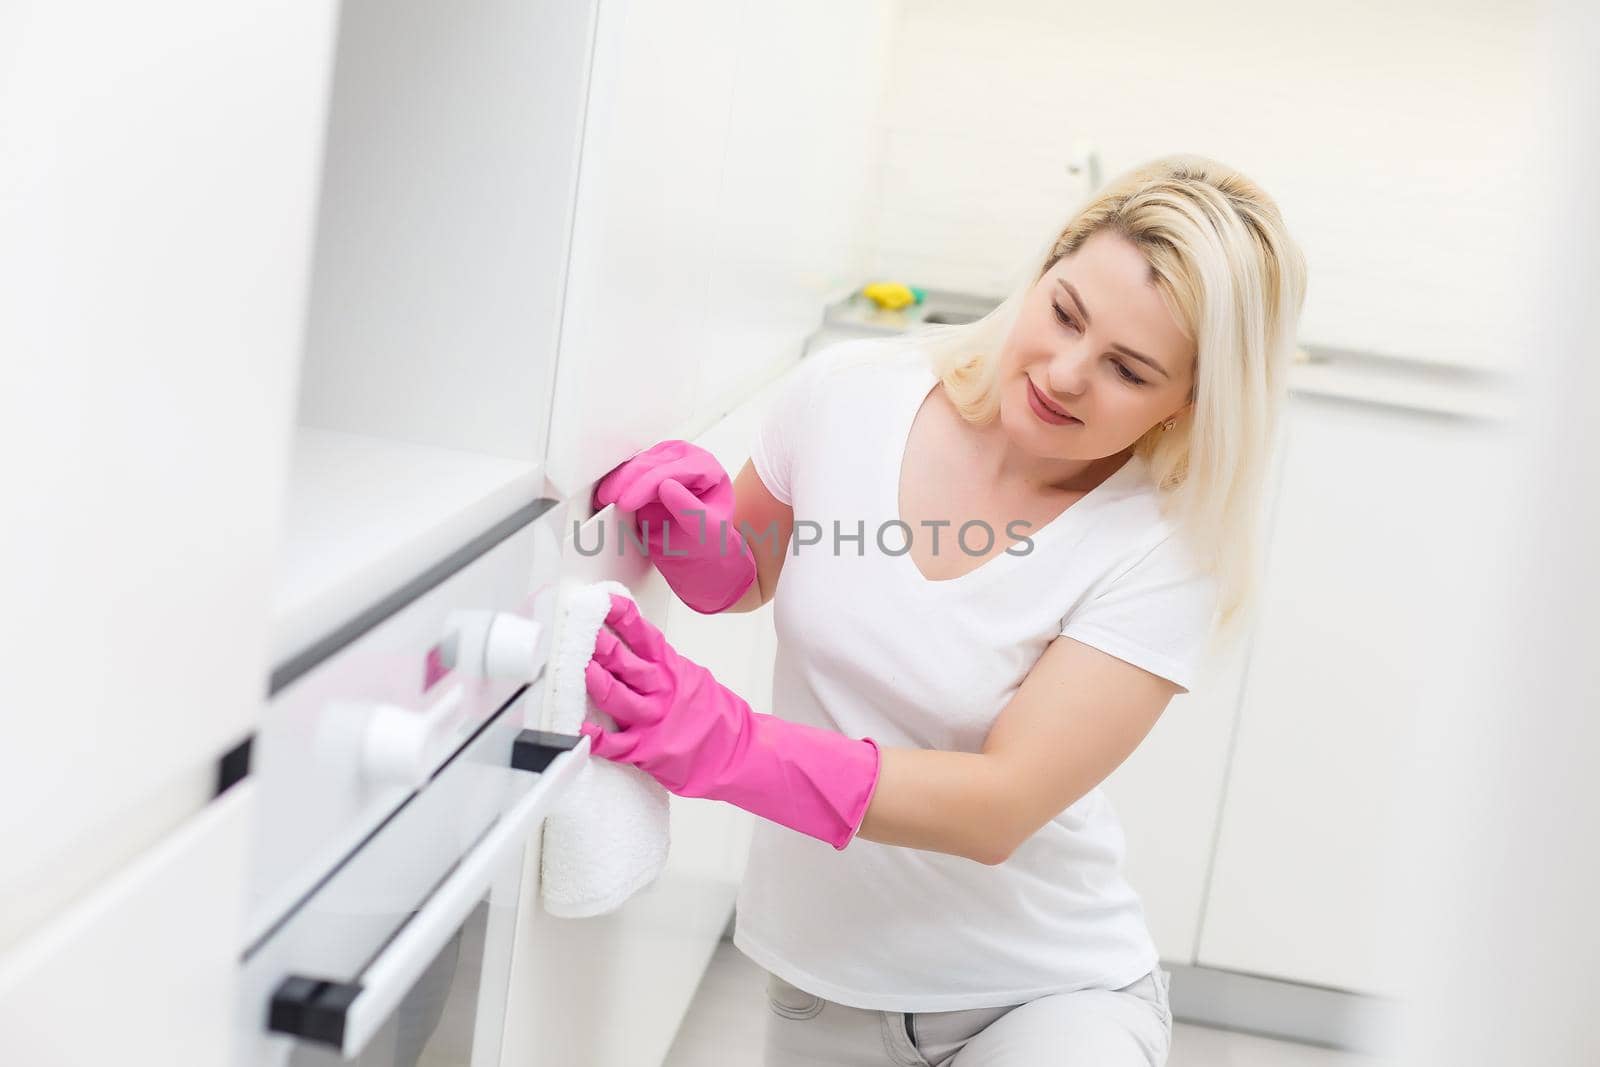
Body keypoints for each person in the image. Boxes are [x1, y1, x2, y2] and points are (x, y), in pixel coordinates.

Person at [581, 155, 1306, 1066]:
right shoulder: (850, 393)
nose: (1066, 371)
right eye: (1065, 313)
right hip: (821, 988)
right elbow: (741, 576)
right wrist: (683, 528)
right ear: (1043, 270)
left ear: (1187, 401)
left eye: (1127, 367)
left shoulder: (1161, 549)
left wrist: (731, 744)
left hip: (1043, 998)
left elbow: (997, 806)